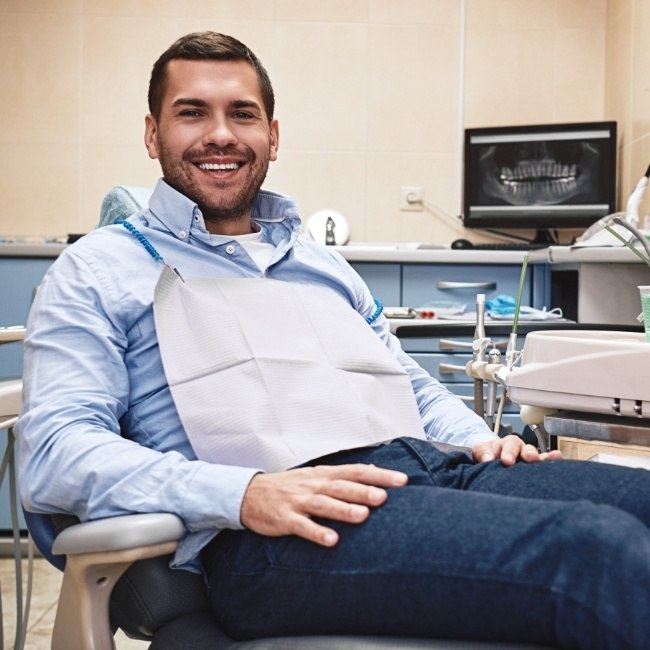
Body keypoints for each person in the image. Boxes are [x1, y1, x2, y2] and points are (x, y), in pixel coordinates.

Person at [16, 31, 650, 650]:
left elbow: (411, 388)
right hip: (276, 530)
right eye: (191, 113)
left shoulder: (322, 265)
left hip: (426, 470)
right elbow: (57, 454)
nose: (220, 134)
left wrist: (483, 443)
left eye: (243, 114)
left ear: (273, 135)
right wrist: (243, 494)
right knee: (595, 550)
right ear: (153, 134)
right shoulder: (98, 268)